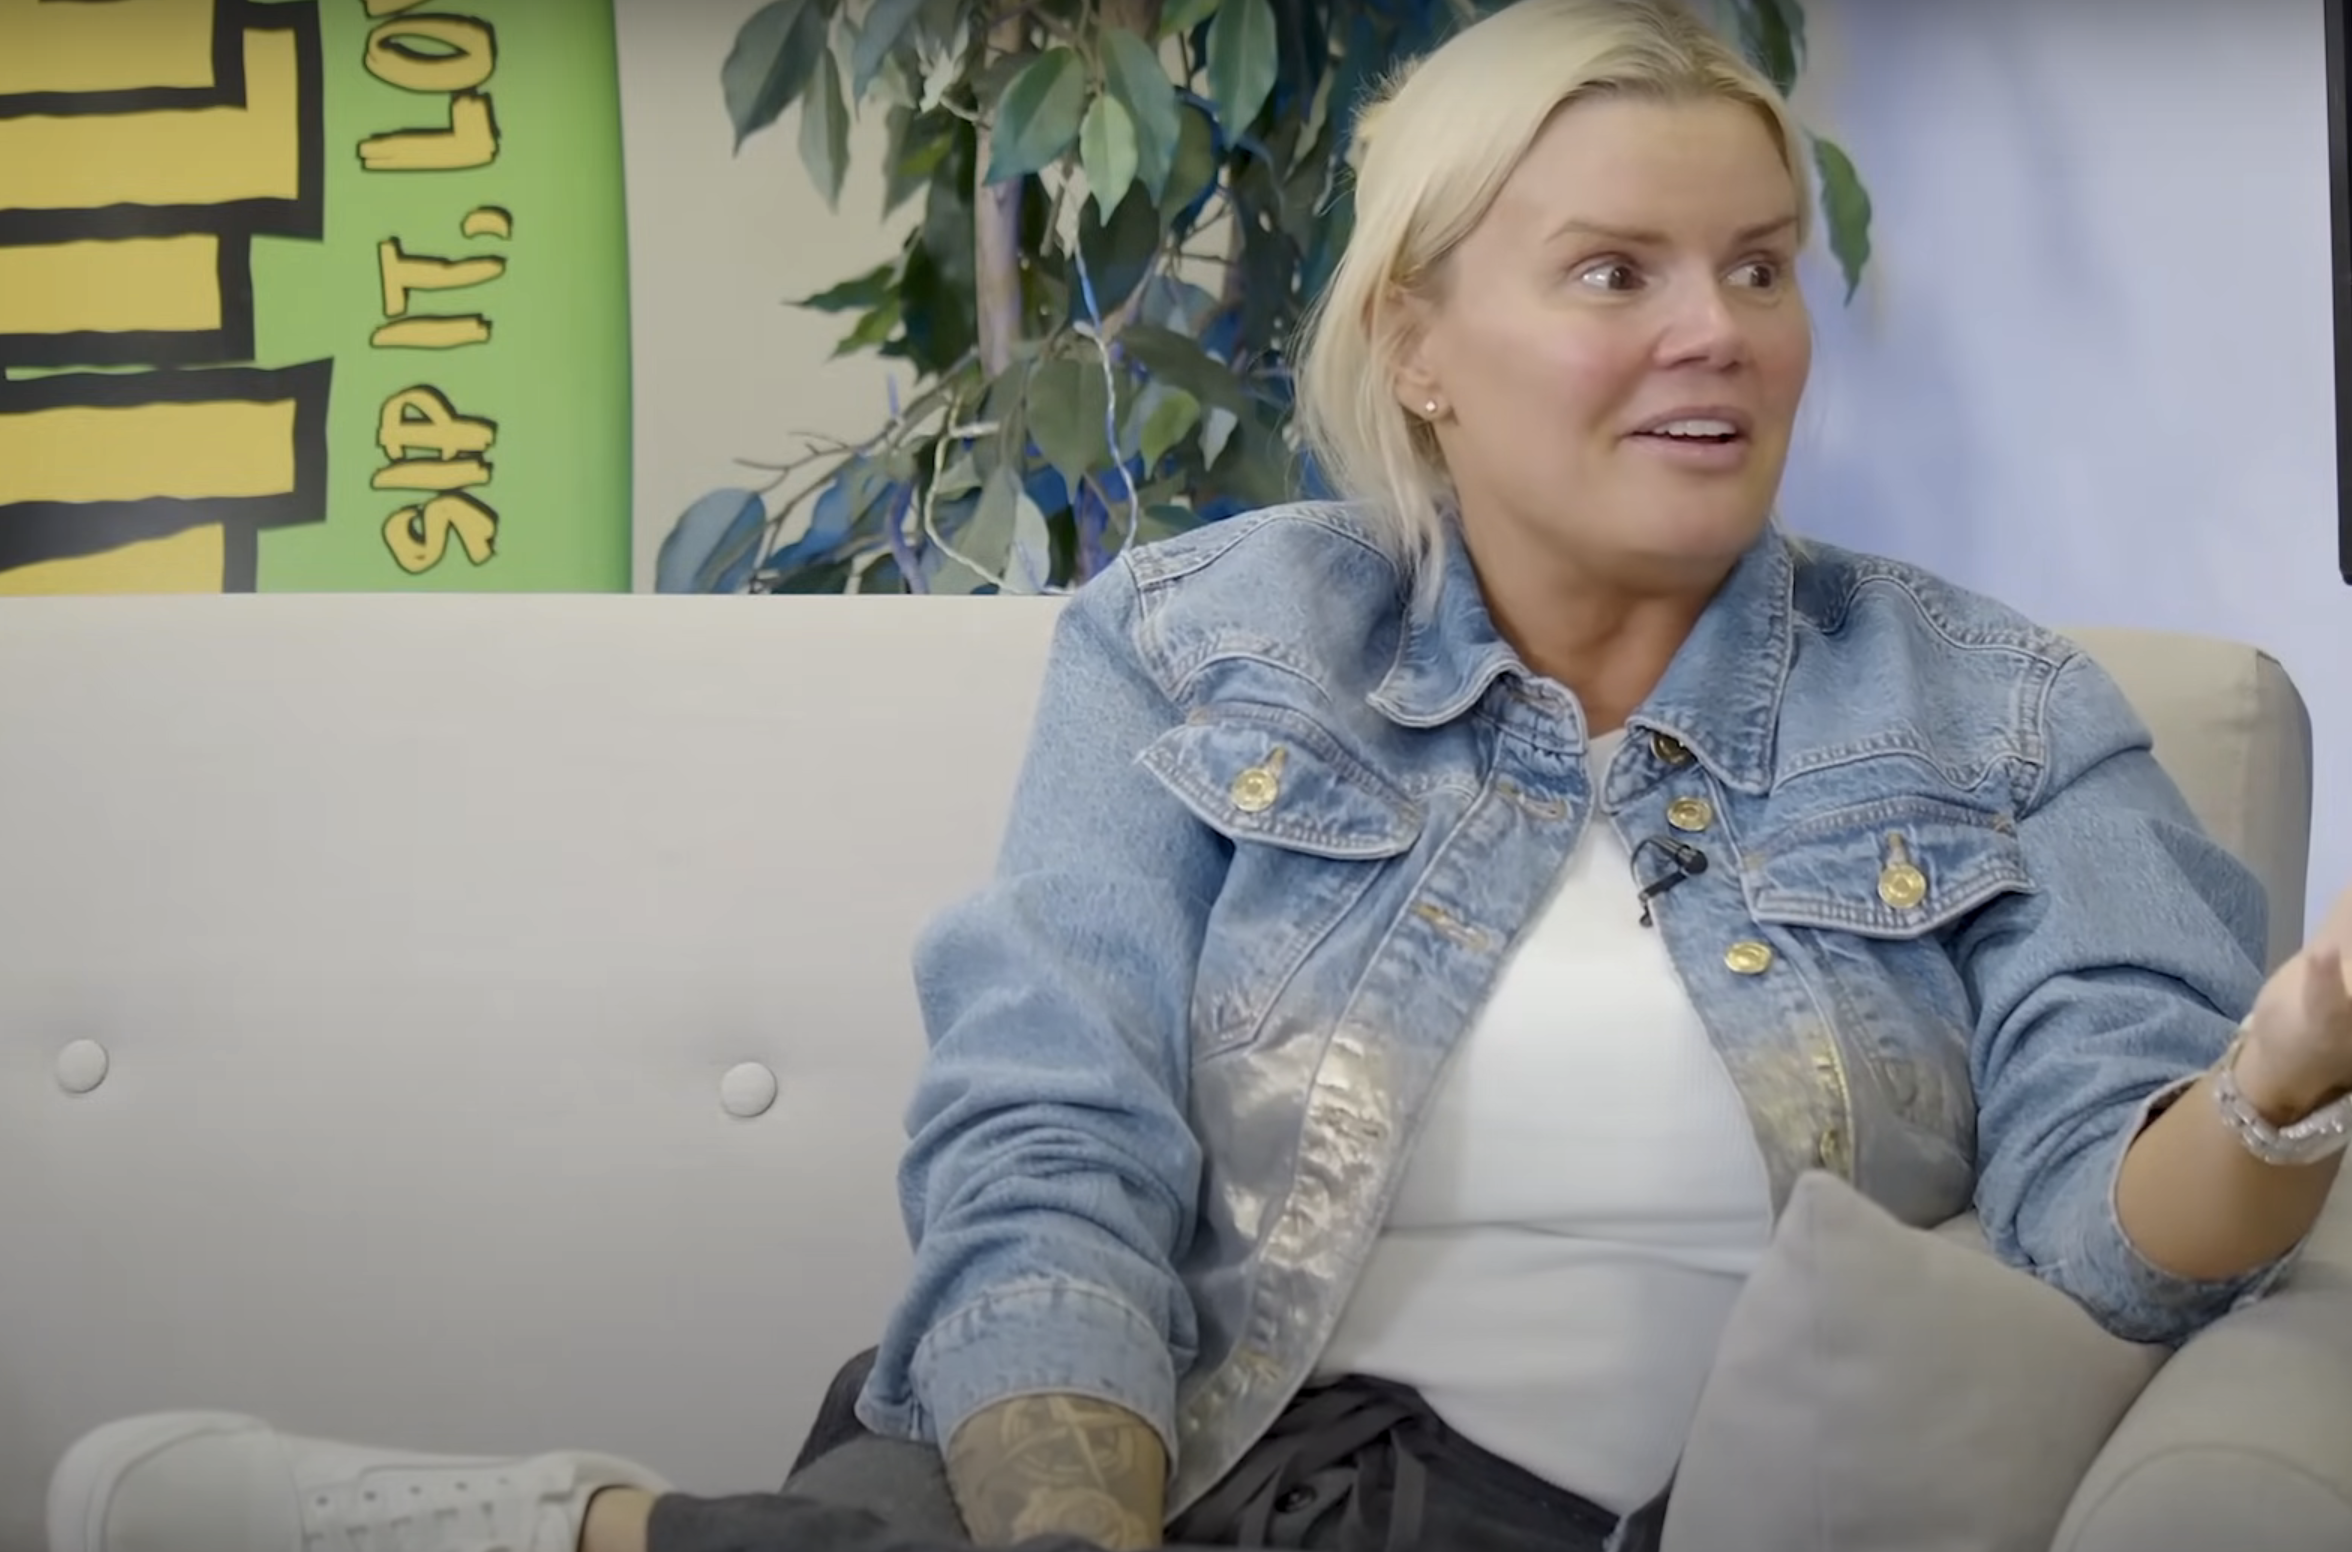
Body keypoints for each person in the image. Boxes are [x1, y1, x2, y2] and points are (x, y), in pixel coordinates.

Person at [48, 1, 2352, 1550]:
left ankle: (606, 1531)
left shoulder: (1998, 710)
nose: (1718, 332)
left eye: (1759, 269)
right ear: (1420, 341)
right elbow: (1053, 1132)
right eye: (1617, 271)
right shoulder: (1202, 638)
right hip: (1146, 1451)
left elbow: (2096, 1247)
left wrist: (2274, 1086)